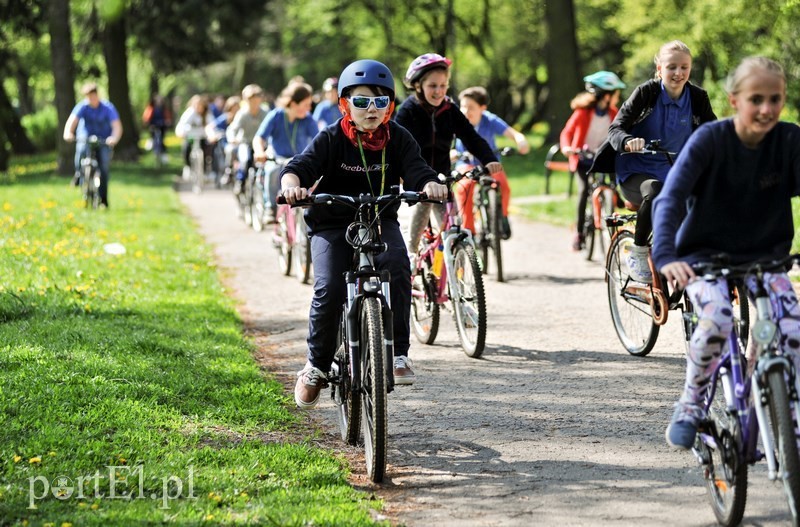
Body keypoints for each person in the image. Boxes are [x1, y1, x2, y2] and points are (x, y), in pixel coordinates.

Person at [280, 59, 448, 408]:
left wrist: (430, 184)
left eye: (380, 101)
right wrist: (292, 186)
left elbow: (417, 169)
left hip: (378, 219)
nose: (370, 110)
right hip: (332, 223)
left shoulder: (398, 138)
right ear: (345, 105)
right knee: (329, 286)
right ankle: (316, 366)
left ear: (390, 106)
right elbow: (300, 167)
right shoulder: (331, 138)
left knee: (399, 267)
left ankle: (399, 354)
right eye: (360, 102)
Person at [652, 56, 800, 449]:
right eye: (756, 99)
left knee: (793, 330)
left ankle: (792, 426)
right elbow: (670, 199)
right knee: (717, 319)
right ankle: (691, 403)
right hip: (705, 257)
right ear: (734, 100)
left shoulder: (789, 141)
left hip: (766, 257)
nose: (767, 109)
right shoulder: (710, 140)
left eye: (775, 99)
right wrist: (666, 256)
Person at [591, 40, 716, 283]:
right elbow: (616, 128)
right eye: (671, 67)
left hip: (676, 171)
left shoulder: (697, 97)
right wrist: (627, 141)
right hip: (636, 172)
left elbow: (713, 132)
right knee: (657, 192)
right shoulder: (646, 94)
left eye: (684, 67)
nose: (678, 73)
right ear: (659, 69)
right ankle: (638, 252)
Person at [395, 53, 502, 255]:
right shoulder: (408, 111)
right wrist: (399, 170)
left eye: (443, 86)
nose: (439, 91)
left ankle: (452, 264)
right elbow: (395, 144)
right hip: (417, 177)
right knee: (426, 201)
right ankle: (411, 252)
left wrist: (489, 160)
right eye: (432, 86)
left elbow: (471, 137)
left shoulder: (450, 110)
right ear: (418, 86)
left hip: (443, 176)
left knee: (452, 224)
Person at [559, 71, 626, 251]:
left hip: (604, 157)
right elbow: (567, 132)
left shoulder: (614, 113)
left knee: (615, 182)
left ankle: (614, 199)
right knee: (583, 192)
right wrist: (566, 148)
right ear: (606, 95)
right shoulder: (582, 112)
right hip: (583, 158)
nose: (618, 97)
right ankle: (579, 233)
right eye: (616, 94)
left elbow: (622, 131)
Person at [454, 86, 530, 238]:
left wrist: (520, 141)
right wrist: (452, 153)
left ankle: (502, 216)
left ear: (482, 108)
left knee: (503, 186)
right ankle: (469, 230)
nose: (465, 111)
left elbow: (513, 133)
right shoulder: (456, 120)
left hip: (489, 163)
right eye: (463, 106)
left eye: (471, 108)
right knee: (465, 188)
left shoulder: (489, 120)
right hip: (466, 163)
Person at [253, 81, 319, 221]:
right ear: (294, 104)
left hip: (298, 161)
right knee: (272, 171)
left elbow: (319, 141)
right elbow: (259, 137)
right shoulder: (276, 115)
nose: (309, 109)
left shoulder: (308, 120)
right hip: (277, 157)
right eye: (306, 105)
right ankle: (270, 208)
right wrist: (259, 151)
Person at [63, 82, 123, 209]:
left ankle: (104, 199)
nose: (91, 100)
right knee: (81, 148)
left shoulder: (107, 107)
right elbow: (71, 122)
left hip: (103, 139)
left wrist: (114, 138)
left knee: (104, 166)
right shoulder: (82, 107)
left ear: (97, 95)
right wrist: (68, 133)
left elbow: (117, 126)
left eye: (93, 96)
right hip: (85, 136)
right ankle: (79, 174)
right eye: (88, 97)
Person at [226, 84, 269, 195]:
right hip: (246, 143)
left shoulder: (265, 112)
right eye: (251, 101)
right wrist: (232, 138)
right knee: (244, 161)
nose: (254, 104)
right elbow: (233, 129)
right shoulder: (242, 114)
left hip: (261, 144)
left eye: (256, 100)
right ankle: (240, 183)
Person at [175, 94, 214, 180]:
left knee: (208, 150)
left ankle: (206, 170)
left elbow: (211, 125)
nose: (198, 107)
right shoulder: (189, 113)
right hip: (191, 137)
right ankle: (188, 166)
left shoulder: (207, 114)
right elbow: (182, 124)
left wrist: (212, 135)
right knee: (186, 147)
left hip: (202, 137)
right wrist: (180, 132)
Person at [206, 95, 241, 184]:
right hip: (226, 143)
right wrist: (213, 135)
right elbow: (211, 126)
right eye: (233, 109)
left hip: (240, 142)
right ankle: (228, 171)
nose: (235, 111)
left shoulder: (242, 118)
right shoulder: (225, 118)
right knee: (229, 150)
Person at [142, 93, 173, 163]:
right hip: (153, 125)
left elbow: (167, 117)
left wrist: (167, 122)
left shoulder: (164, 108)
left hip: (162, 125)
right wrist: (147, 122)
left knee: (161, 140)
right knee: (153, 136)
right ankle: (151, 142)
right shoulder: (151, 108)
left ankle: (163, 155)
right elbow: (146, 117)